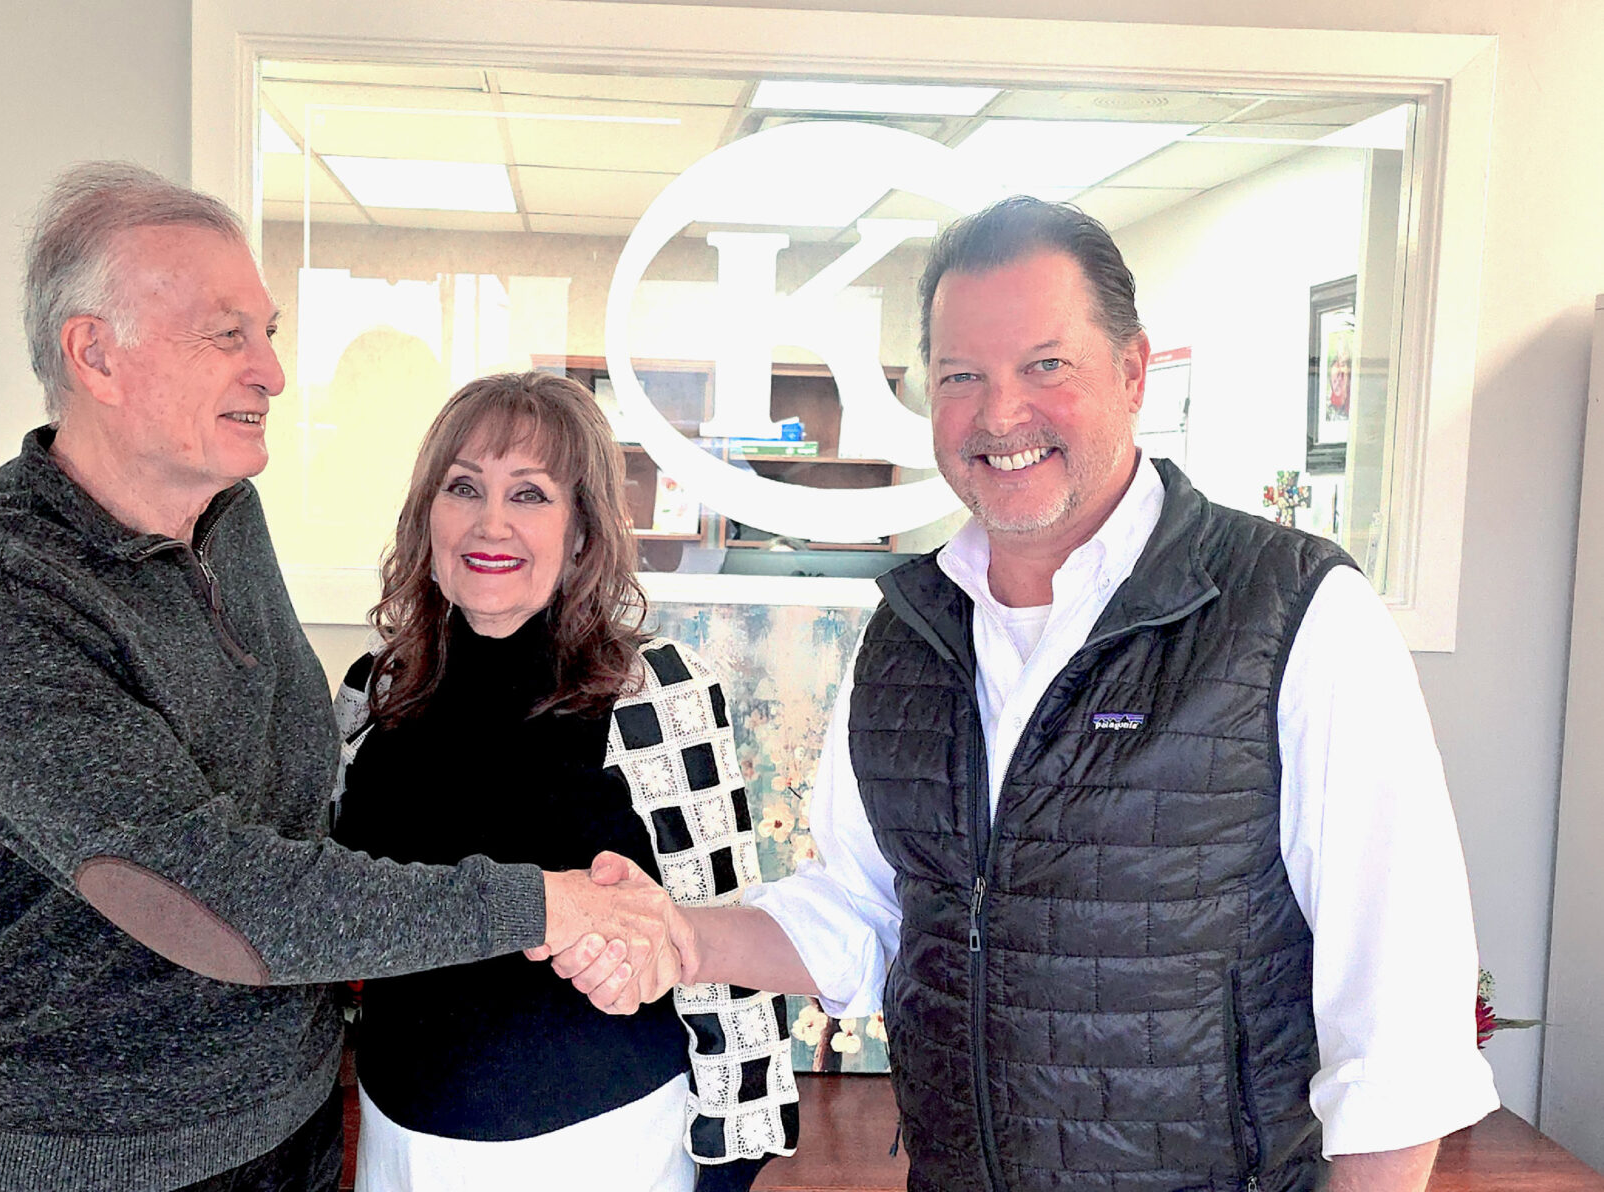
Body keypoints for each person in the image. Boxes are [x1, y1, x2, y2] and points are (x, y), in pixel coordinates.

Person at [560, 197, 1500, 1192]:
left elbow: (1399, 1029)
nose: (1000, 414)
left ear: (1133, 371)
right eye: (963, 376)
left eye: (1045, 365)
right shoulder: (908, 635)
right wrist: (683, 935)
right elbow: (866, 911)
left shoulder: (1293, 613)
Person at [0, 163, 678, 1192]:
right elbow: (222, 894)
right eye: (229, 335)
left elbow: (299, 818)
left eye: (268, 332)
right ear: (96, 354)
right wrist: (551, 907)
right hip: (93, 1166)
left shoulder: (226, 519)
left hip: (293, 1124)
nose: (272, 370)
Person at [328, 371, 797, 1192]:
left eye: (531, 495)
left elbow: (725, 937)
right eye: (463, 487)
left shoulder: (655, 694)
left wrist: (731, 1163)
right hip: (398, 1138)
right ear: (426, 517)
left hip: (603, 1144)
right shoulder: (374, 690)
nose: (490, 522)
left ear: (582, 532)